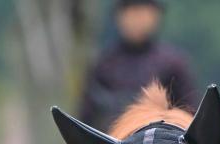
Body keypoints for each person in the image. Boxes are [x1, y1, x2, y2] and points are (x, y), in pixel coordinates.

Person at [80, 0, 197, 131]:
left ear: (156, 16)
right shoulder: (103, 65)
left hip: (162, 143)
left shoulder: (173, 64)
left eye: (143, 13)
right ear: (119, 17)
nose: (137, 20)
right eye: (132, 12)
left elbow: (190, 116)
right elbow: (86, 118)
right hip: (111, 142)